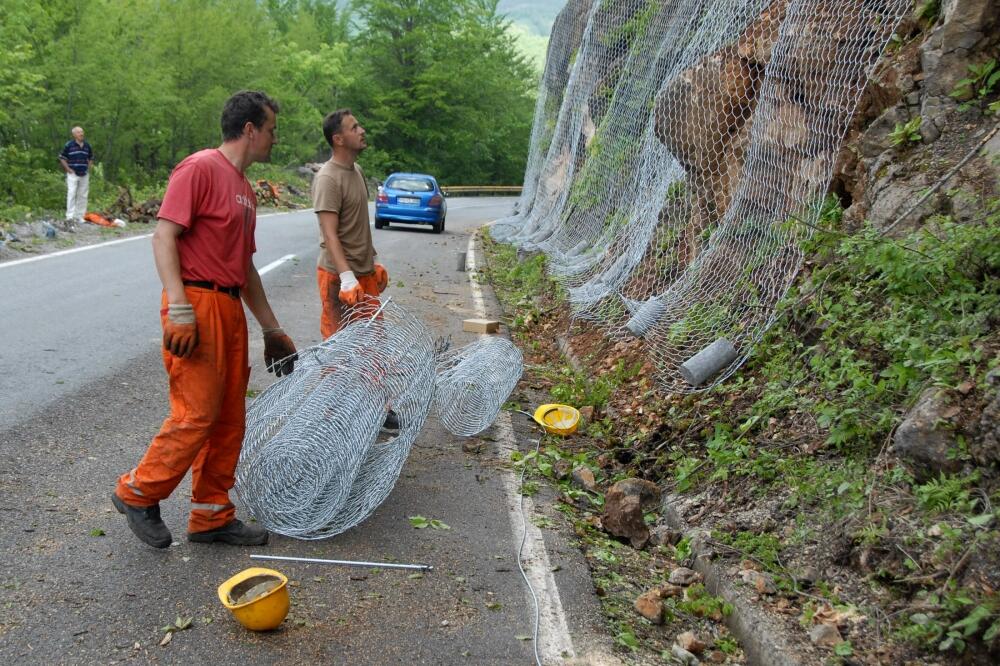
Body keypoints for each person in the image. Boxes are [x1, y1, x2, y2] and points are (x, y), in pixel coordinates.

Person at [112, 91, 298, 549]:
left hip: (230, 306)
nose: (275, 138)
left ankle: (212, 514)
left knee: (229, 418)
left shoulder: (247, 191)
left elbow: (246, 268)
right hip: (196, 302)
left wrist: (271, 329)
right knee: (196, 413)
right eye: (272, 129)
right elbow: (163, 237)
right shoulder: (199, 168)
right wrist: (178, 306)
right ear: (250, 129)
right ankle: (138, 491)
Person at [311, 109, 396, 430]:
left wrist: (371, 262)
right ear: (338, 139)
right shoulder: (328, 179)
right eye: (354, 127)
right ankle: (332, 415)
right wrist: (346, 277)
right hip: (337, 278)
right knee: (339, 346)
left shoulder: (356, 171)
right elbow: (330, 234)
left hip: (363, 274)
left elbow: (358, 227)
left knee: (374, 343)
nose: (362, 130)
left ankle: (377, 408)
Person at [59, 126, 94, 224]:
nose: (81, 134)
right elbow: (62, 157)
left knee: (83, 195)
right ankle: (69, 216)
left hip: (84, 173)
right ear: (74, 134)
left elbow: (91, 157)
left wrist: (89, 167)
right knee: (72, 193)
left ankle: (80, 216)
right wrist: (68, 169)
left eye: (82, 132)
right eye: (79, 132)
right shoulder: (69, 145)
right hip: (73, 173)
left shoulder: (87, 145)